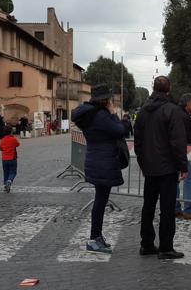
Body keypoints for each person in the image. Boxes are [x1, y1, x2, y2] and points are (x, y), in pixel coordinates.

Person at [134, 76, 188, 260]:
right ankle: (166, 247)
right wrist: (183, 166)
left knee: (148, 206)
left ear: (153, 88)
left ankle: (147, 244)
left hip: (150, 167)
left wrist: (143, 163)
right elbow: (177, 142)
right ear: (169, 89)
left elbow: (138, 142)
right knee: (167, 208)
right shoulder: (172, 111)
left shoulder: (142, 111)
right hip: (167, 168)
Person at [72, 84, 126, 254]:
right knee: (100, 201)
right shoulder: (102, 115)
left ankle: (97, 237)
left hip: (94, 159)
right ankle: (94, 238)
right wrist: (114, 114)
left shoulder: (87, 114)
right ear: (105, 100)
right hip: (104, 161)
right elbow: (120, 131)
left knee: (100, 200)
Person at [0, 125, 20, 193]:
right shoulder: (13, 139)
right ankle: (9, 181)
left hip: (4, 159)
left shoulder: (2, 140)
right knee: (13, 172)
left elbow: (1, 149)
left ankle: (5, 185)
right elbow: (18, 144)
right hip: (12, 158)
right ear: (11, 132)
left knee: (6, 172)